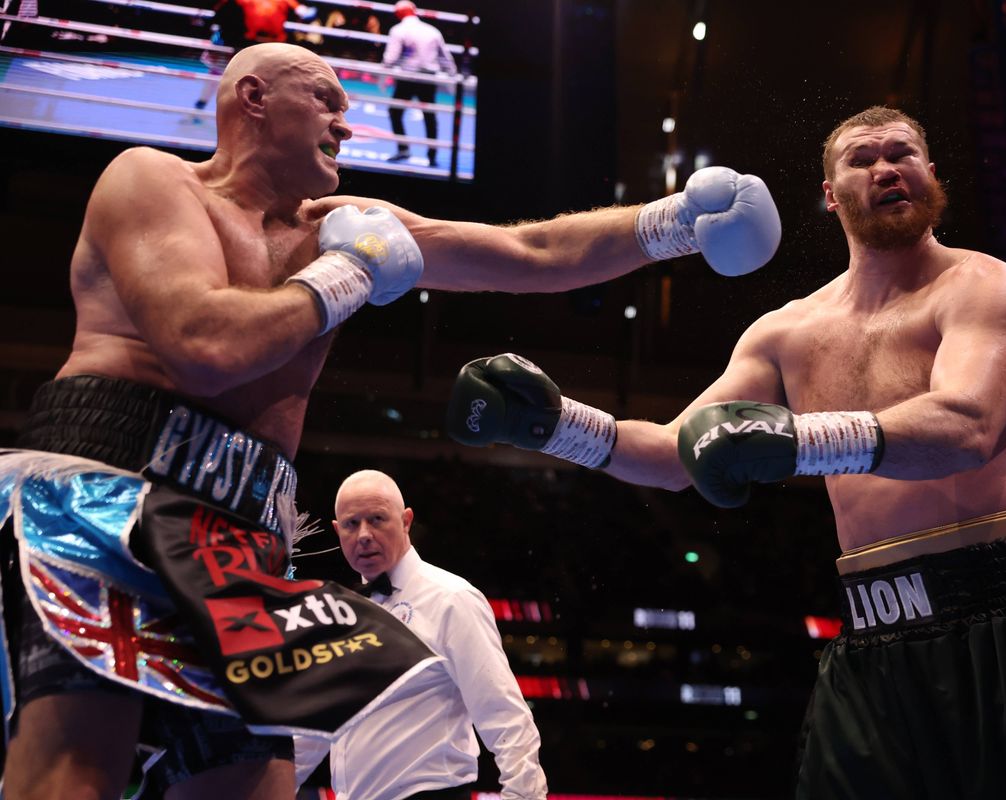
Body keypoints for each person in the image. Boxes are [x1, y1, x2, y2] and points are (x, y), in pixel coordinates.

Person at [0, 41, 779, 800]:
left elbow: (529, 251)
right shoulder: (152, 180)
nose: (348, 123)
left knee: (244, 781)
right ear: (254, 100)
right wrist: (349, 273)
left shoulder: (340, 221)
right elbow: (205, 344)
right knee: (77, 770)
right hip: (109, 494)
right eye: (327, 100)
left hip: (237, 534)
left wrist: (676, 222)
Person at [445, 106, 1006, 799]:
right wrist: (556, 424)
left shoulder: (986, 287)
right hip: (873, 637)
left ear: (930, 173)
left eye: (901, 153)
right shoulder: (786, 332)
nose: (885, 168)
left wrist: (799, 440)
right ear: (831, 193)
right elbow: (676, 454)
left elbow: (966, 425)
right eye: (862, 159)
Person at [294, 470, 547, 800]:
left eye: (377, 519)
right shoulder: (344, 612)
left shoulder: (451, 598)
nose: (364, 535)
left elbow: (505, 714)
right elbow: (315, 727)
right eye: (351, 524)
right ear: (336, 530)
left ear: (406, 521)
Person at [381, 1, 456, 165]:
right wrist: (453, 76)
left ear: (398, 14)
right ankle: (432, 155)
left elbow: (390, 59)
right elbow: (445, 57)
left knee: (395, 112)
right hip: (428, 79)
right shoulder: (432, 30)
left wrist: (382, 75)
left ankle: (403, 149)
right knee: (430, 116)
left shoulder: (398, 30)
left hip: (407, 78)